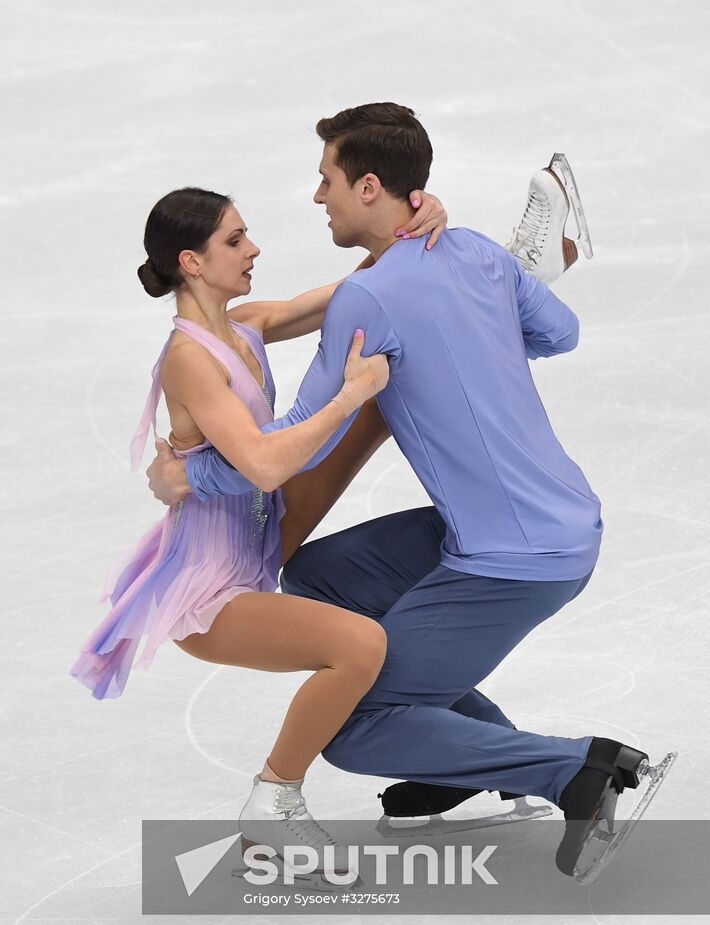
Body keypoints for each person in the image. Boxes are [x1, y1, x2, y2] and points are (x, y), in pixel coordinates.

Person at [146, 102, 673, 880]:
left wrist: (190, 473)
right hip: (546, 518)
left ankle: (576, 771)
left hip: (514, 556)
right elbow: (561, 334)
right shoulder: (475, 256)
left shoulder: (372, 299)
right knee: (321, 578)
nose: (317, 196)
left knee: (355, 729)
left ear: (367, 186)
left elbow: (301, 439)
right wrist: (475, 315)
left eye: (327, 180)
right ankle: (453, 754)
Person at [70, 183, 448, 869]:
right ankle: (275, 798)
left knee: (379, 410)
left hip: (262, 541)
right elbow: (266, 467)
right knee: (361, 647)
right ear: (191, 260)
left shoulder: (242, 327)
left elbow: (343, 293)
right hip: (210, 588)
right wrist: (349, 394)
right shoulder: (188, 357)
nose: (254, 249)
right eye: (235, 240)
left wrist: (414, 228)